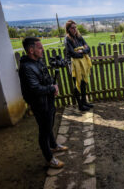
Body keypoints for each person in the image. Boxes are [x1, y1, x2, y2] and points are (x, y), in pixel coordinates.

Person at [18, 37, 68, 169]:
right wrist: (51, 88)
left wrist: (53, 84)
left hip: (48, 100)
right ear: (31, 50)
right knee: (44, 130)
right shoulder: (26, 67)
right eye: (39, 48)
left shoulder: (38, 61)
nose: (42, 50)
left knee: (49, 124)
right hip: (39, 104)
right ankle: (49, 158)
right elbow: (35, 89)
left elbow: (46, 77)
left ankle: (54, 145)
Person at [64, 20, 93, 111]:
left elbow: (88, 47)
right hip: (73, 64)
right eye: (72, 28)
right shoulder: (67, 39)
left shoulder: (79, 37)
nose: (74, 29)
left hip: (82, 63)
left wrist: (83, 51)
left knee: (84, 82)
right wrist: (82, 54)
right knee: (77, 83)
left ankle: (84, 102)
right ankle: (80, 105)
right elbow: (71, 52)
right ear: (68, 29)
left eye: (75, 27)